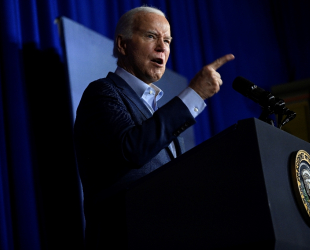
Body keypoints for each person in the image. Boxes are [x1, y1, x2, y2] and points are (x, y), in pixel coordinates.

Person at [74, 6, 234, 249]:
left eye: (167, 40)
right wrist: (195, 95)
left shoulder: (160, 116)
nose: (163, 47)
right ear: (122, 44)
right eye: (151, 36)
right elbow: (132, 149)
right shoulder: (103, 93)